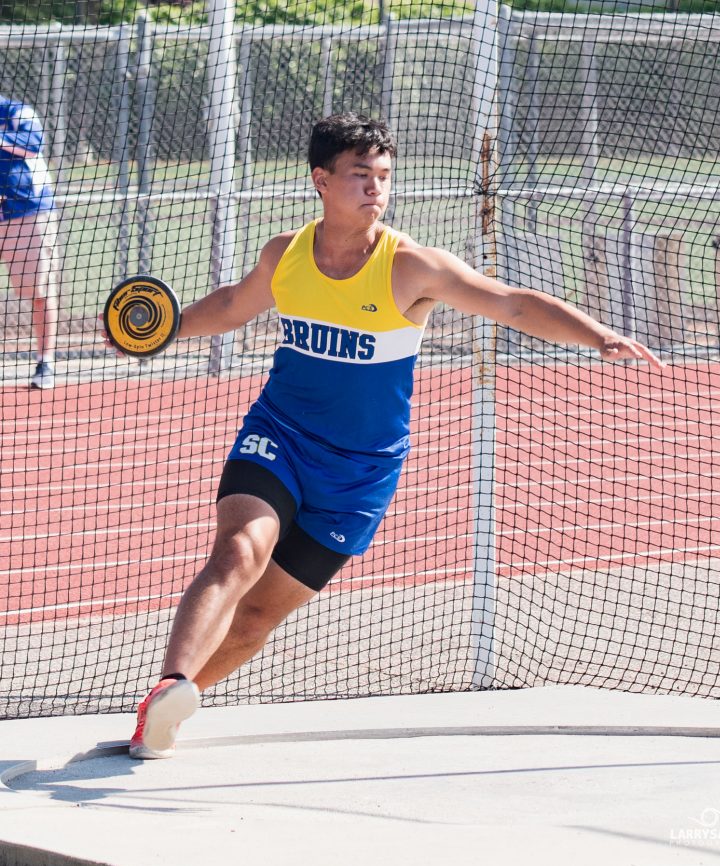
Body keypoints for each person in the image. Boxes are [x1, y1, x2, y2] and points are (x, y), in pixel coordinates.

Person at [124, 112, 665, 760]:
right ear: (321, 180)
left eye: (383, 176)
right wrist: (161, 328)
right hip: (281, 436)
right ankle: (172, 682)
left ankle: (161, 717)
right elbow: (233, 306)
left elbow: (512, 303)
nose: (376, 188)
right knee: (241, 550)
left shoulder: (412, 266)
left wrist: (597, 334)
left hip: (359, 474)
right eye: (360, 176)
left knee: (257, 620)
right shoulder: (285, 254)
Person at [0, 94, 60, 389]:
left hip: (27, 211)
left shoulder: (16, 111)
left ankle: (45, 362)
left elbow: (32, 144)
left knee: (40, 290)